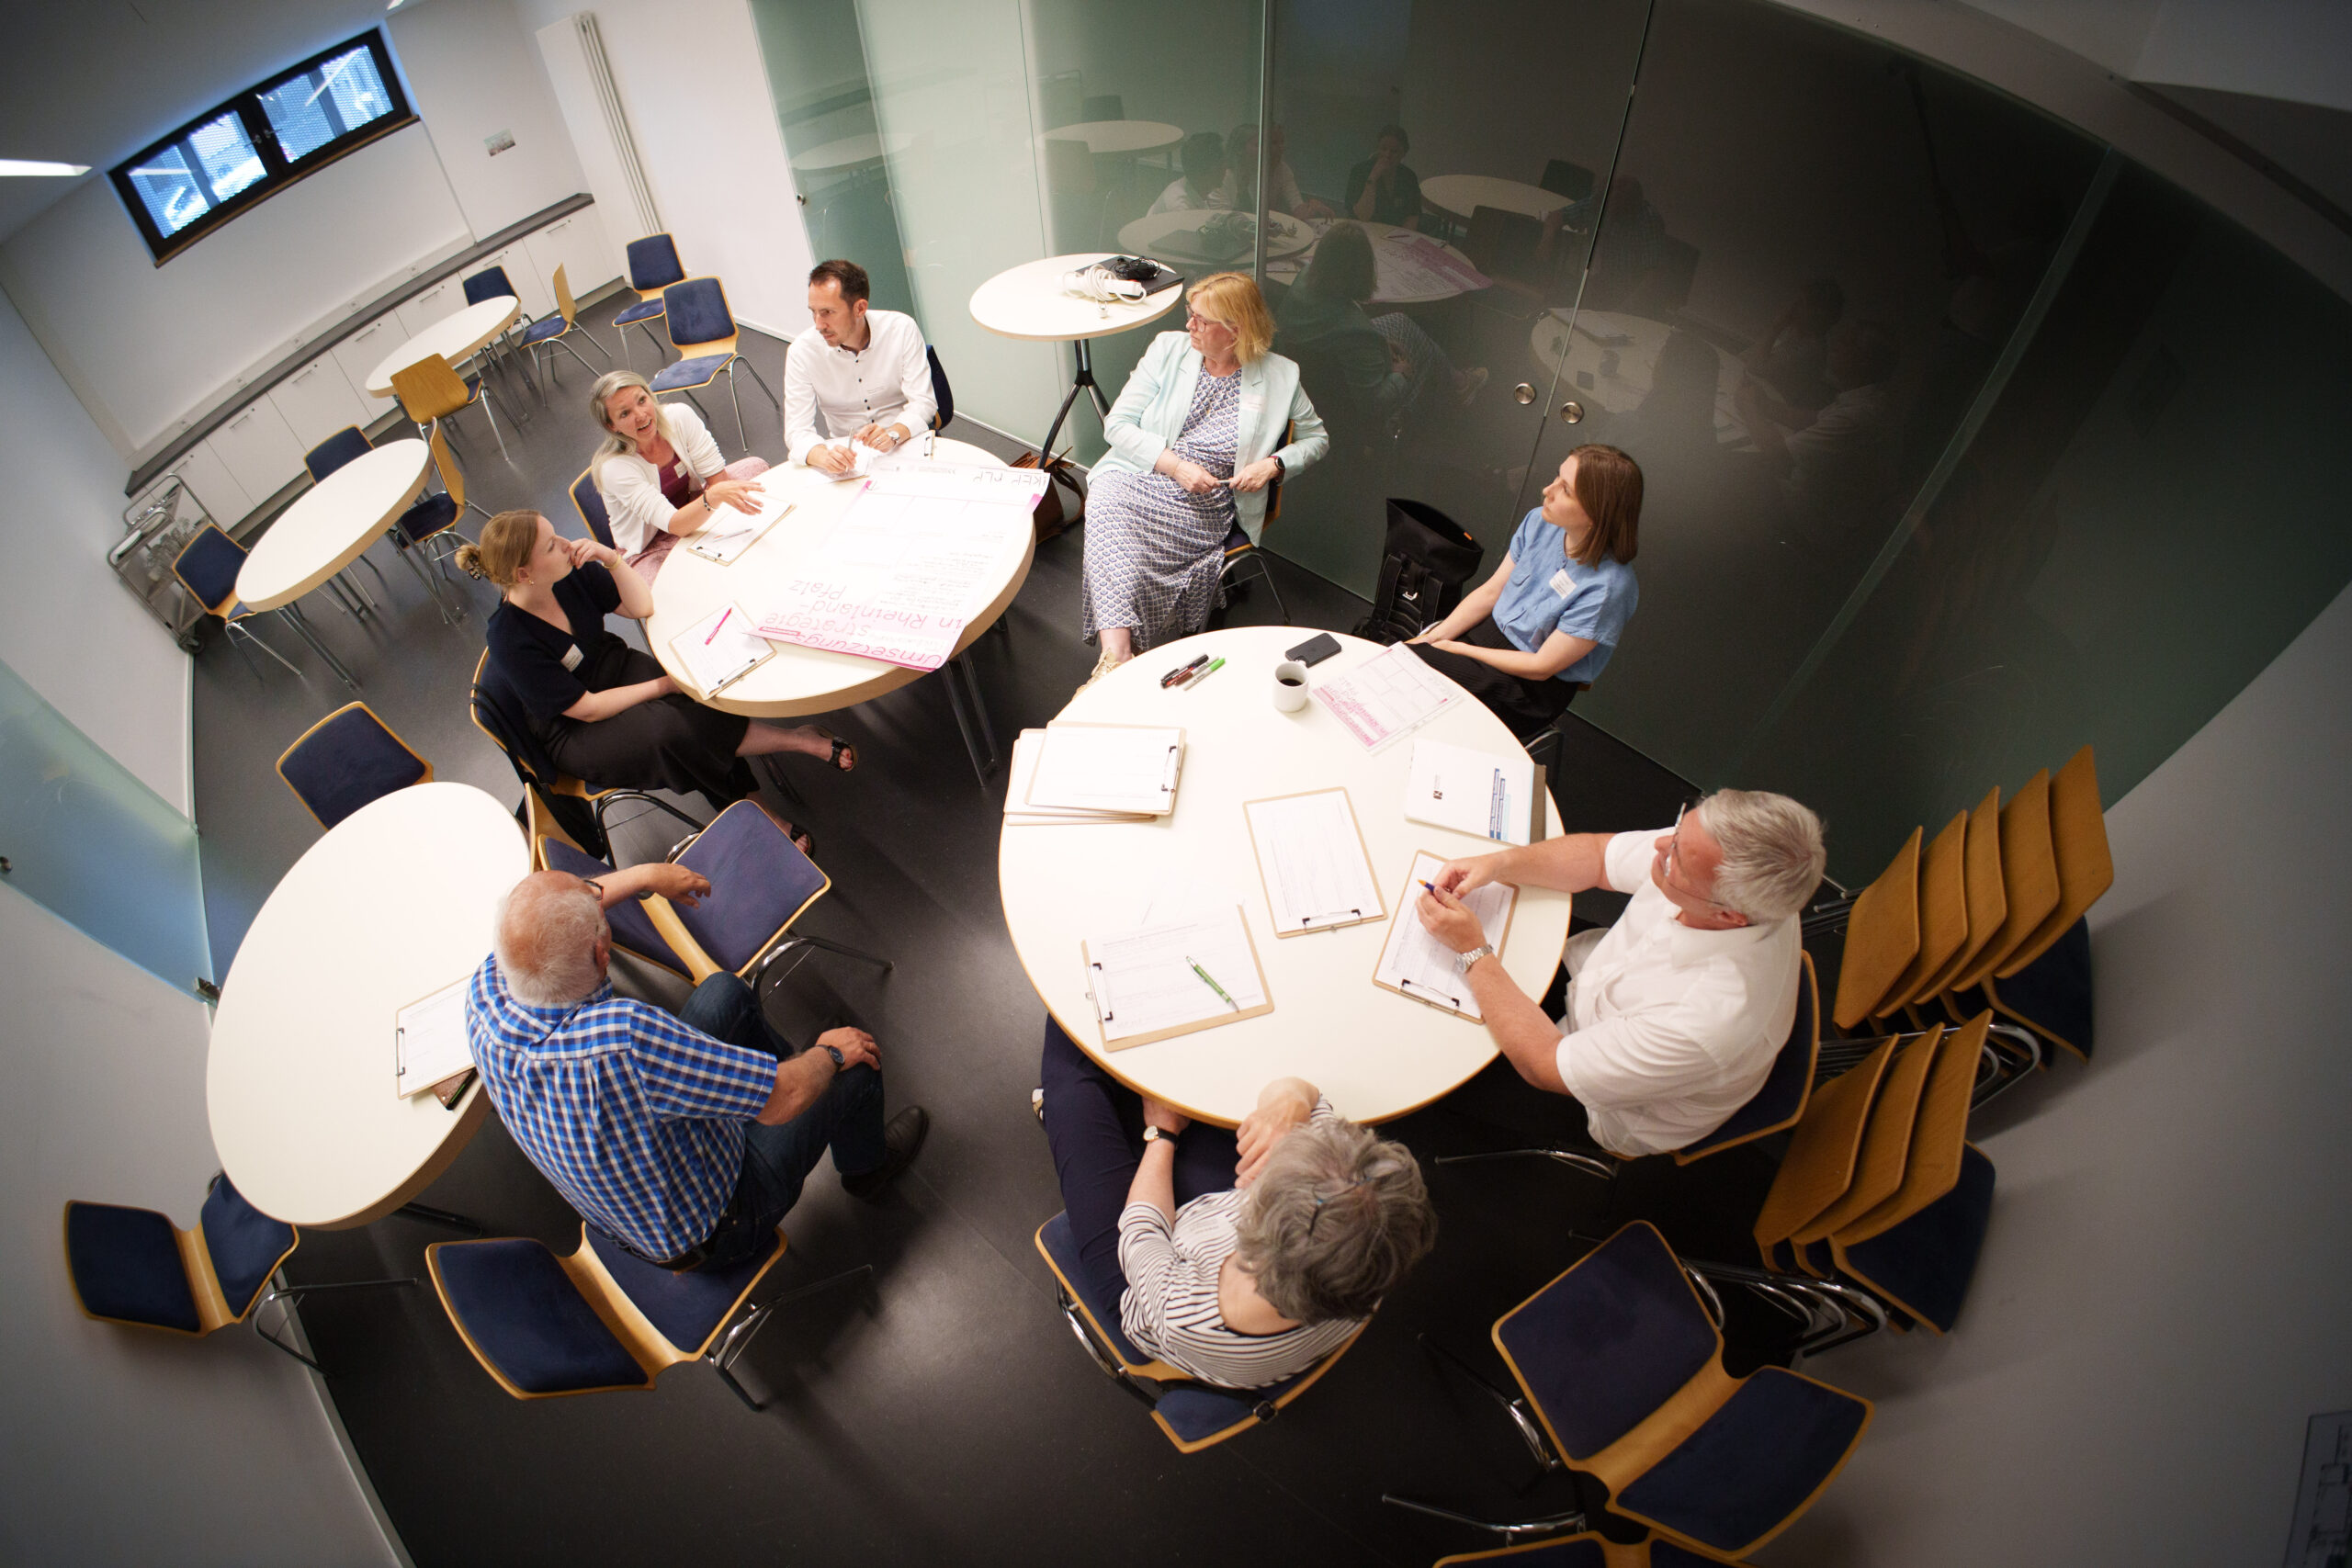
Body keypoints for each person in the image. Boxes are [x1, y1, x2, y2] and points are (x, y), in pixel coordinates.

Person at [468, 867, 929, 1269]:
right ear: (602, 955)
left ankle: (777, 1075)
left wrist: (647, 875)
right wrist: (828, 1056)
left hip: (635, 1203)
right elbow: (781, 1101)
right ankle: (866, 1169)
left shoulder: (487, 989)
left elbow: (555, 919)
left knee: (724, 993)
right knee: (855, 1065)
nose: (598, 892)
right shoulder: (624, 1038)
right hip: (718, 1223)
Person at [1413, 790, 1826, 1158]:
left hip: (1604, 1104)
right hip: (1591, 983)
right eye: (1681, 829)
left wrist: (1473, 950)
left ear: (1727, 916)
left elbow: (1544, 1065)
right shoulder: (1711, 855)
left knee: (1436, 1062)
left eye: (1677, 858)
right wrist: (1498, 864)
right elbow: (1597, 857)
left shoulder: (1704, 1021)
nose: (1662, 845)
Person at [1038, 1021, 1436, 1388]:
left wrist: (1161, 1133)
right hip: (1264, 1264)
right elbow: (1311, 1102)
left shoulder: (1183, 1313)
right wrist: (1293, 1099)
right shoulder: (1366, 1217)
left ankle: (1065, 1104)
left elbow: (1142, 1229)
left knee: (1071, 1087)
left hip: (1147, 1283)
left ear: (1248, 1212)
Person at [459, 511, 855, 846]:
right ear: (524, 573)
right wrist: (663, 684)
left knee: (697, 699)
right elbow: (587, 709)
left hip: (612, 668)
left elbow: (641, 605)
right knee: (672, 732)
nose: (566, 543)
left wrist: (609, 559)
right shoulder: (509, 637)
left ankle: (788, 754)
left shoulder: (570, 572)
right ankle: (766, 789)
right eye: (551, 544)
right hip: (571, 726)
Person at [1078, 272, 1328, 683]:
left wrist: (1274, 465)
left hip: (1205, 502)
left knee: (1119, 544)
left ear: (1235, 330)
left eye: (1201, 320)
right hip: (1147, 470)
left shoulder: (1282, 376)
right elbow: (1117, 425)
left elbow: (1317, 439)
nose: (1189, 326)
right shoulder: (1168, 349)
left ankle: (1116, 661)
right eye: (1189, 315)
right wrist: (1175, 466)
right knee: (1106, 500)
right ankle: (1117, 655)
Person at [1407, 445, 1641, 734]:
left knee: (1414, 671)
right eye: (1557, 477)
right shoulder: (1540, 522)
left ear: (1596, 514)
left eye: (1565, 490)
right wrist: (1434, 637)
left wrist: (1455, 649)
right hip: (1484, 637)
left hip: (1528, 687)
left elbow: (1541, 666)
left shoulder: (1608, 587)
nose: (1547, 490)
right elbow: (1491, 592)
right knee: (1404, 657)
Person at [1274, 221, 1485, 432]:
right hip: (1346, 413)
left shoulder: (1303, 278)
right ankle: (1455, 392)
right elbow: (1374, 404)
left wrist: (1380, 344)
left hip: (1303, 388)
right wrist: (1400, 375)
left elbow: (1334, 328)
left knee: (1401, 322)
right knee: (1419, 357)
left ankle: (1458, 382)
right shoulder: (1357, 331)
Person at [589, 371, 770, 583]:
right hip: (651, 543)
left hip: (693, 505)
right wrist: (714, 497)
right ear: (611, 426)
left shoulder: (679, 416)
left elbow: (717, 479)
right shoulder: (613, 468)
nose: (641, 414)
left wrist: (716, 496)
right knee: (664, 588)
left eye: (642, 400)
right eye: (625, 414)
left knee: (755, 466)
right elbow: (675, 525)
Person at [1734, 320, 1900, 540]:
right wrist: (1765, 406)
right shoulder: (1869, 397)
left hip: (1811, 516)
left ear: (1864, 361)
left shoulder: (1859, 416)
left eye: (1846, 344)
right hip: (1820, 501)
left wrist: (1748, 408)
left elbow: (1777, 455)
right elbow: (1814, 419)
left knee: (1723, 470)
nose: (1835, 344)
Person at [786, 259, 937, 476]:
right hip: (848, 459)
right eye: (814, 312)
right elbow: (796, 430)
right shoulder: (802, 351)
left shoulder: (900, 329)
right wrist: (822, 455)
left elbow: (923, 402)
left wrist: (894, 433)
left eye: (827, 312)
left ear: (860, 308)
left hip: (904, 442)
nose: (818, 325)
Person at [1221, 122, 1333, 220]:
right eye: (1273, 143)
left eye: (1282, 142)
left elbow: (1297, 207)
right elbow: (1221, 218)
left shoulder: (1282, 169)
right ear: (1239, 149)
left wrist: (1311, 207)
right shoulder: (1225, 175)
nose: (1281, 148)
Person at [1345, 124, 1422, 230]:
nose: (1387, 155)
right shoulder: (1359, 171)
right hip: (1363, 230)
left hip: (1394, 234)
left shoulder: (1408, 177)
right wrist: (1373, 178)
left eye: (1394, 151)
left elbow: (1412, 216)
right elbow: (1362, 216)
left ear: (1403, 154)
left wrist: (1403, 239)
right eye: (1383, 149)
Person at [1148, 131, 1232, 216]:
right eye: (1223, 162)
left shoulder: (1196, 191)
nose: (1226, 166)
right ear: (1206, 169)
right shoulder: (1181, 209)